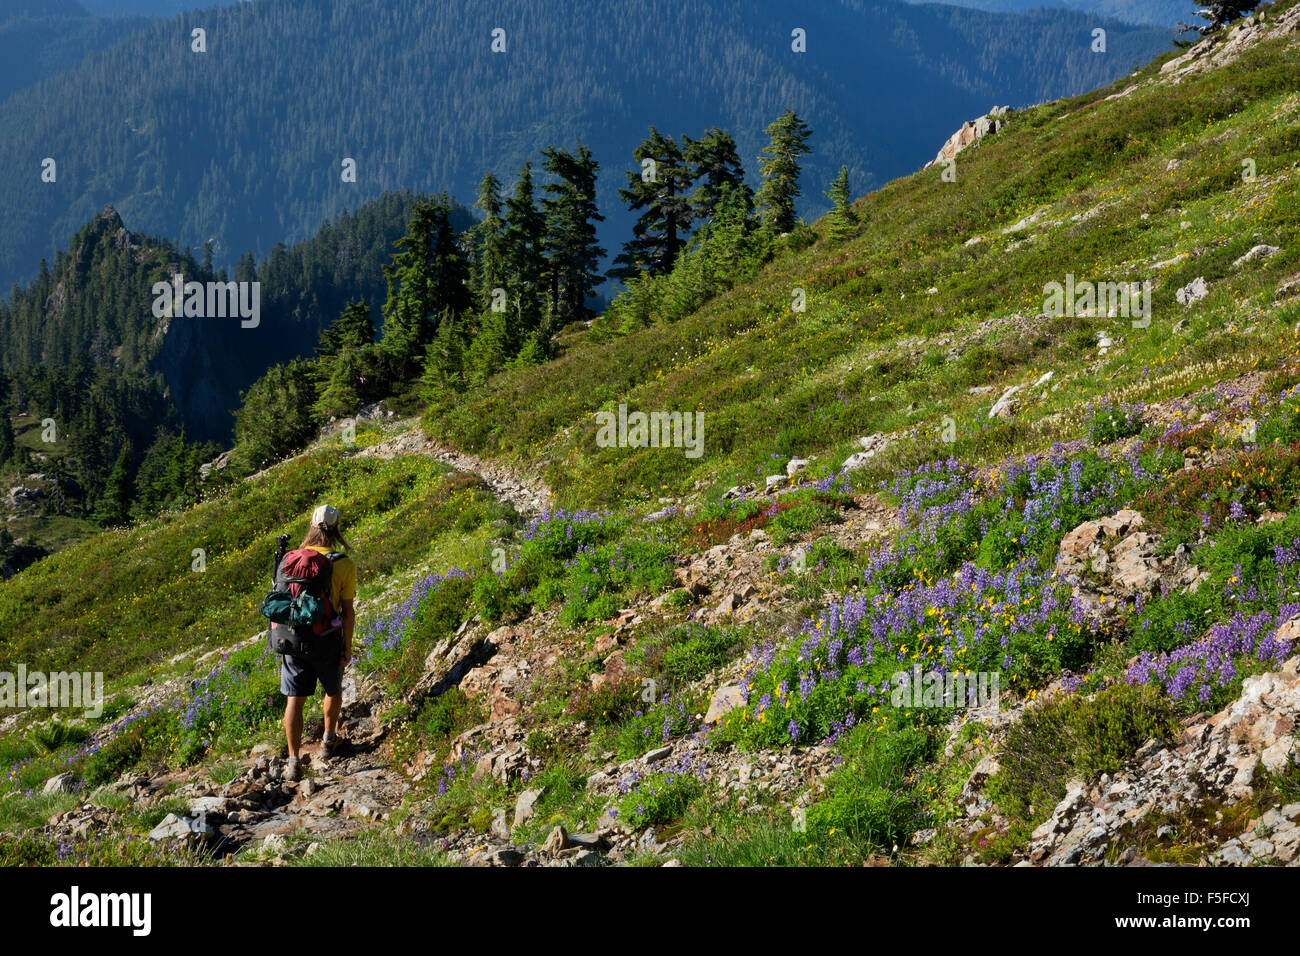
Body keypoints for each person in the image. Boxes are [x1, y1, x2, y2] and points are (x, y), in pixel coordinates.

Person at [282, 504, 356, 779]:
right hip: (327, 638)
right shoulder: (343, 564)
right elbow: (347, 612)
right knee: (333, 689)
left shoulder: (290, 558)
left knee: (295, 698)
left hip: (292, 638)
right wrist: (347, 645)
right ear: (336, 529)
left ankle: (292, 760)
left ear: (311, 526)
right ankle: (328, 740)